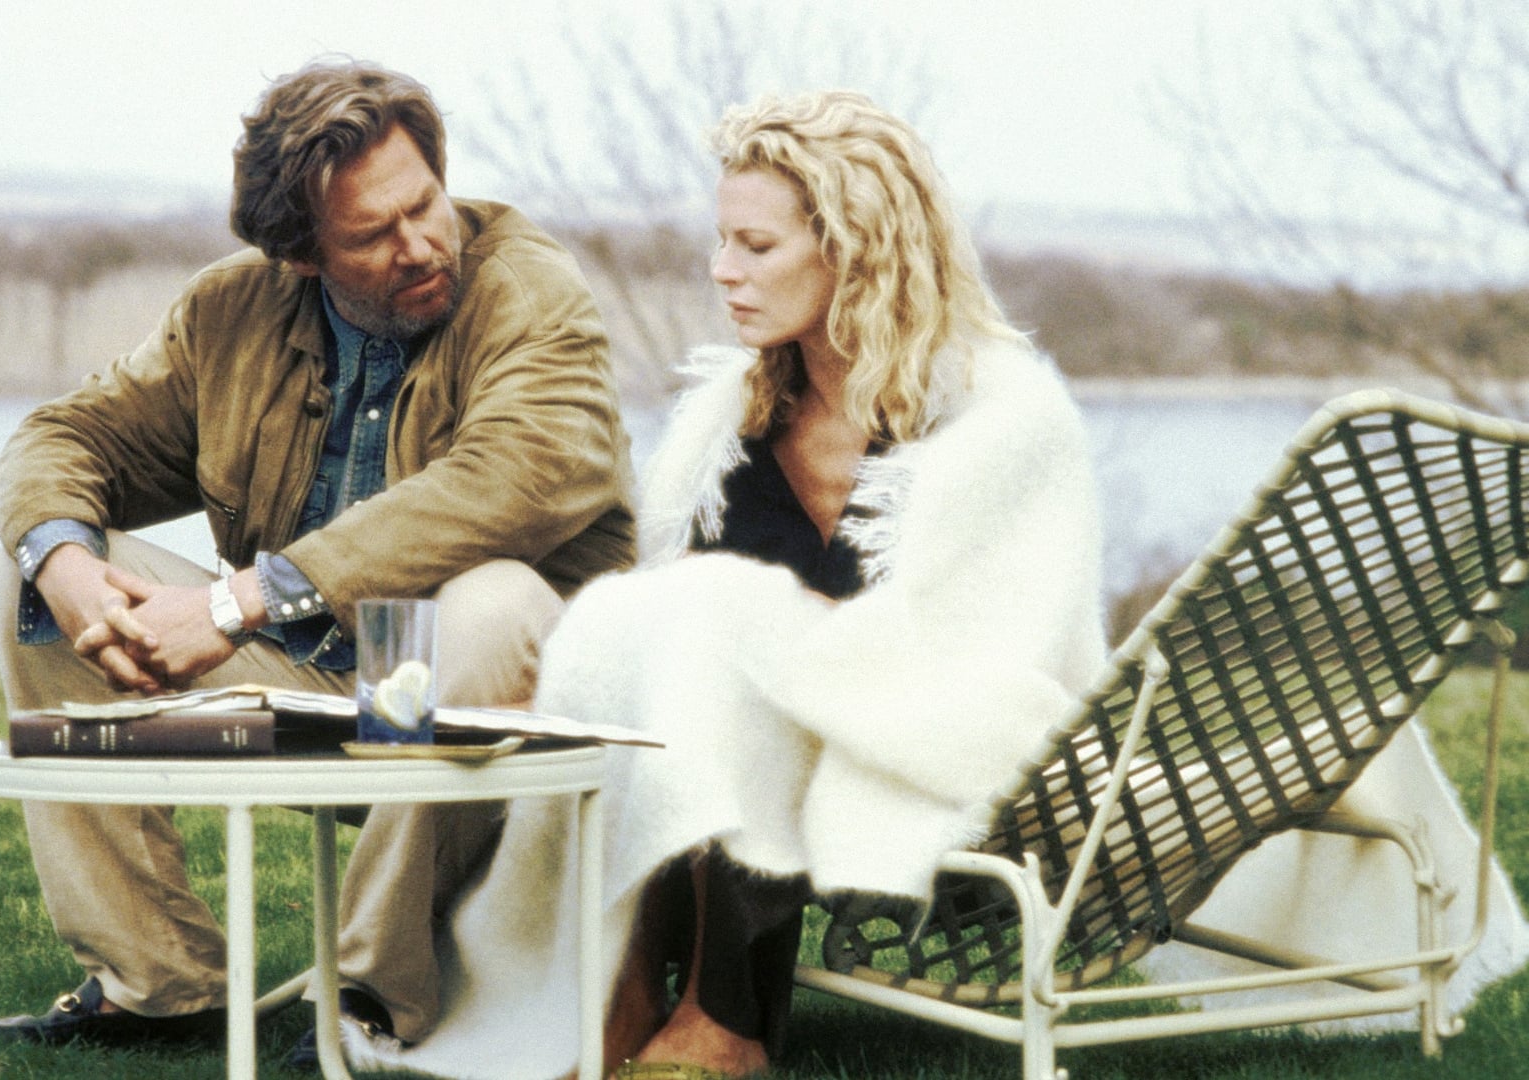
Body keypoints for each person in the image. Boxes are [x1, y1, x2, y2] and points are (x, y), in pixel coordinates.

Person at [347, 90, 1107, 1080]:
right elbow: (662, 624)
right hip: (749, 733)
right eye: (721, 240)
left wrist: (777, 633)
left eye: (755, 246)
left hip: (958, 734)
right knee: (662, 641)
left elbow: (997, 655)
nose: (722, 270)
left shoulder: (1001, 417)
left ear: (856, 249)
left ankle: (724, 1018)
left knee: (715, 630)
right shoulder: (730, 423)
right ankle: (618, 994)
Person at [0, 58, 634, 1051]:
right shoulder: (228, 314)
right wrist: (69, 573)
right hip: (307, 688)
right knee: (28, 578)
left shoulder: (530, 289)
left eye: (425, 204)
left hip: (494, 704)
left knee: (495, 598)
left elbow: (516, 477)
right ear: (298, 256)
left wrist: (238, 602)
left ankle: (372, 998)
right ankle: (159, 987)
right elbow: (63, 437)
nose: (420, 244)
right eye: (372, 235)